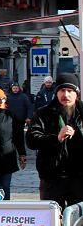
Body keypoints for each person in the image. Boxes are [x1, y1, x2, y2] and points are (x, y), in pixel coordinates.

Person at [26, 74, 83, 208]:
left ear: (76, 94)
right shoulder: (43, 113)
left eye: (70, 91)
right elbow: (31, 139)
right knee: (53, 220)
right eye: (62, 91)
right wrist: (56, 138)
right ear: (56, 93)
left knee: (78, 222)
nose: (66, 95)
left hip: (79, 177)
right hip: (52, 177)